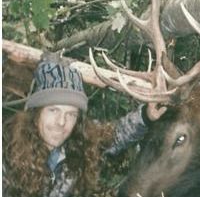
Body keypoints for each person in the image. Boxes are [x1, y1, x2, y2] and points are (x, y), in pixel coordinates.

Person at [2, 60, 166, 197]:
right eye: (54, 110)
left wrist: (146, 115)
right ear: (36, 113)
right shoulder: (6, 152)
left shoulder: (77, 145)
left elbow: (116, 135)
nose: (61, 122)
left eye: (71, 114)